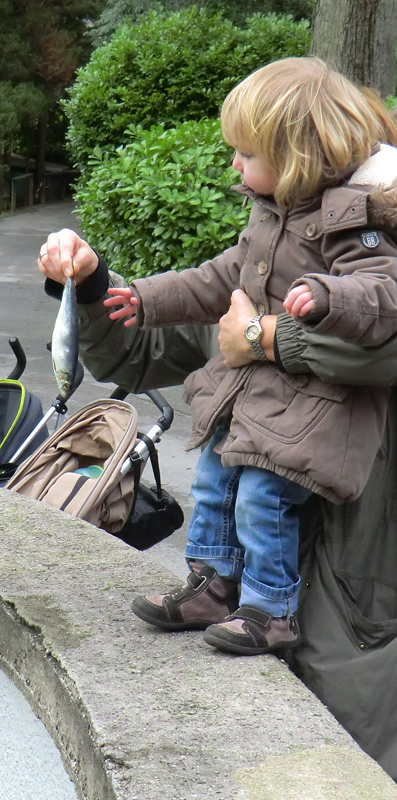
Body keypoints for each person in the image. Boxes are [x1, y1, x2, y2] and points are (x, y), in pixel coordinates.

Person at [83, 56, 397, 657]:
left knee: (263, 498)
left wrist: (329, 295)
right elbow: (220, 277)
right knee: (213, 478)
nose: (234, 165)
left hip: (310, 412)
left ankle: (269, 608)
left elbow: (384, 291)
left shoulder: (357, 221)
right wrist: (141, 297)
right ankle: (212, 582)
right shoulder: (274, 215)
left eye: (247, 154)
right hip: (254, 402)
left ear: (297, 153)